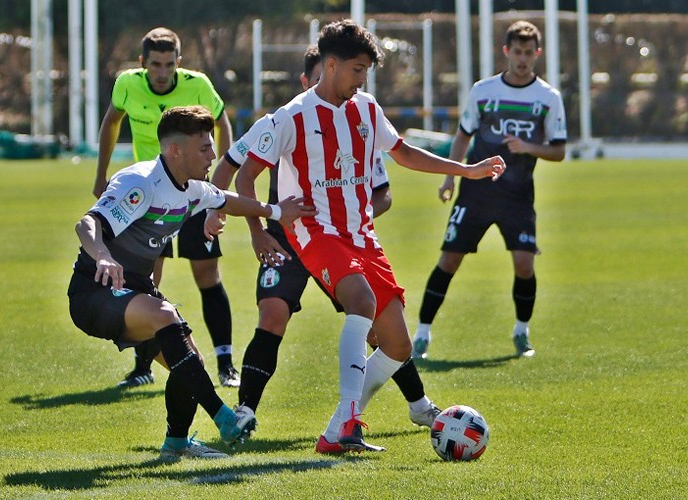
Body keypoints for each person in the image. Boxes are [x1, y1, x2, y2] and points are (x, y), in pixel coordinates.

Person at [234, 20, 505, 453]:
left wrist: (465, 170)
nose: (362, 81)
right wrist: (257, 229)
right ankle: (346, 424)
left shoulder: (366, 108)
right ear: (332, 63)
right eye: (357, 70)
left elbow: (403, 153)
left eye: (366, 73)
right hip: (313, 230)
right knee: (360, 301)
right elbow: (245, 176)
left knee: (397, 344)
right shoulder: (291, 116)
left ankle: (338, 427)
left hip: (361, 234)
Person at [207, 46, 442, 452]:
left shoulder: (358, 119)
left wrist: (352, 217)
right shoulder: (282, 120)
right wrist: (236, 219)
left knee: (376, 323)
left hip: (341, 238)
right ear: (310, 79)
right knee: (274, 313)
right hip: (285, 234)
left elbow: (381, 191)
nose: (352, 85)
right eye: (348, 73)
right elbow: (229, 167)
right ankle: (246, 408)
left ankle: (415, 403)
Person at [68, 105, 314, 460]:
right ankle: (224, 418)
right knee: (167, 316)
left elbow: (228, 200)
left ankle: (176, 443)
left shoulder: (191, 189)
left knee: (190, 360)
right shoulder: (139, 181)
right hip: (95, 289)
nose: (213, 155)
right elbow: (87, 225)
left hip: (135, 289)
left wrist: (275, 211)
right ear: (175, 150)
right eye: (204, 148)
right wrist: (103, 256)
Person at [93, 27, 240, 389]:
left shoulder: (199, 85)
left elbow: (222, 123)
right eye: (155, 65)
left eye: (169, 64)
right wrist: (102, 174)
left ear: (179, 62)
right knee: (146, 281)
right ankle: (142, 367)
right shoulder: (127, 83)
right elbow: (112, 120)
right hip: (150, 200)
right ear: (142, 63)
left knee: (207, 275)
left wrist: (216, 191)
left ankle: (225, 363)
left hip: (189, 192)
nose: (162, 72)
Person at [412, 20, 567, 360]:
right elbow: (463, 134)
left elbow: (558, 150)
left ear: (537, 54)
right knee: (449, 259)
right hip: (476, 191)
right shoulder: (483, 91)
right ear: (506, 52)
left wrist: (529, 147)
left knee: (524, 265)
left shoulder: (548, 98)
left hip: (518, 196)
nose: (523, 59)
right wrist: (450, 176)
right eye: (517, 52)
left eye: (529, 53)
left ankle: (521, 332)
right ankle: (422, 333)